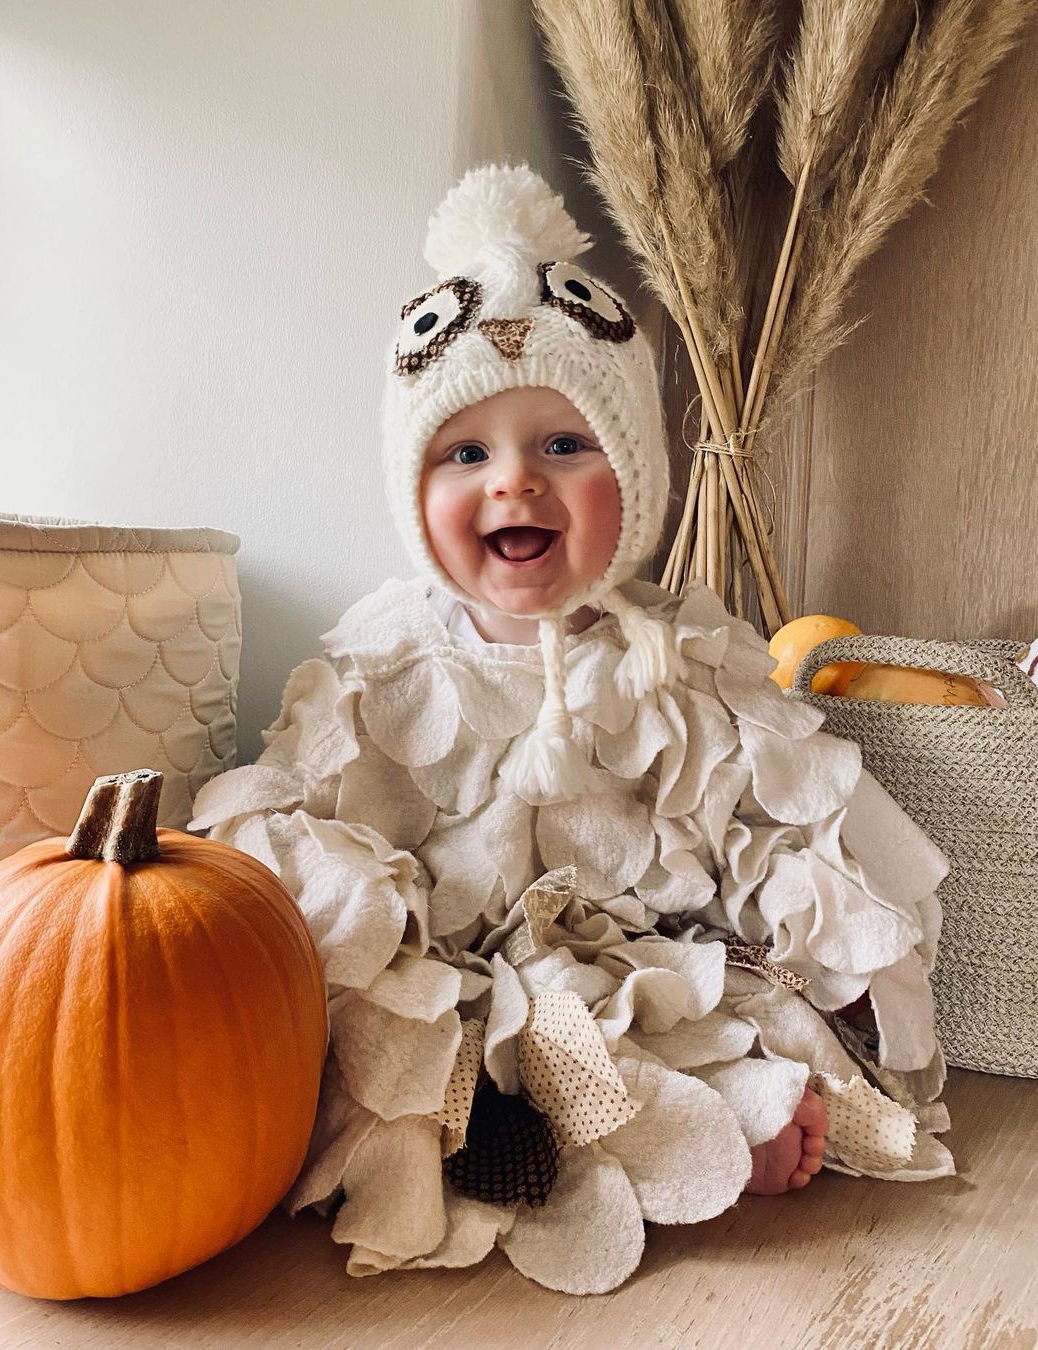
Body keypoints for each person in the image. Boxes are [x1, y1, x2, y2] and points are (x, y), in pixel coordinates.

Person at [190, 164, 953, 1295]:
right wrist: (337, 899)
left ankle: (659, 1124)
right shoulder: (384, 651)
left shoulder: (672, 647)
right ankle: (558, 1123)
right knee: (396, 1031)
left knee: (693, 1008)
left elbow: (759, 810)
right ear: (415, 490)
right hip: (441, 961)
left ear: (633, 478)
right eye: (467, 454)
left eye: (562, 447)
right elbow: (293, 800)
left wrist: (815, 927)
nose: (516, 486)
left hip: (626, 954)